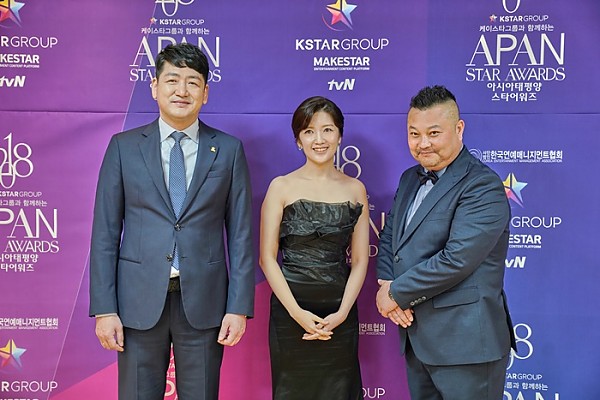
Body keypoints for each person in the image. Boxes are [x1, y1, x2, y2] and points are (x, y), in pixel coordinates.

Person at [88, 43, 254, 400]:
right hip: (137, 303)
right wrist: (104, 308)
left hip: (205, 303)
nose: (182, 91)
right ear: (154, 87)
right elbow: (105, 233)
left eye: (193, 82)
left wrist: (238, 307)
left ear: (205, 92)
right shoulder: (123, 147)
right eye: (172, 80)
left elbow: (241, 235)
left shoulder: (228, 150)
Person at [375, 85, 515, 399]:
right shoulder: (409, 178)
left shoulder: (482, 185)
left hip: (466, 345)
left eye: (434, 133)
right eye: (414, 134)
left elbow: (457, 259)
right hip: (417, 338)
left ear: (459, 129)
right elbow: (389, 238)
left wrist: (396, 294)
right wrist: (386, 283)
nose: (423, 143)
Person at [259, 96, 369, 400]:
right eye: (309, 131)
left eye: (327, 130)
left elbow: (360, 260)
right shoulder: (280, 187)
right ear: (298, 140)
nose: (319, 139)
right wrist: (297, 314)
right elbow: (267, 258)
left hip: (340, 314)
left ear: (340, 136)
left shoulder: (355, 189)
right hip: (290, 312)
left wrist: (343, 313)